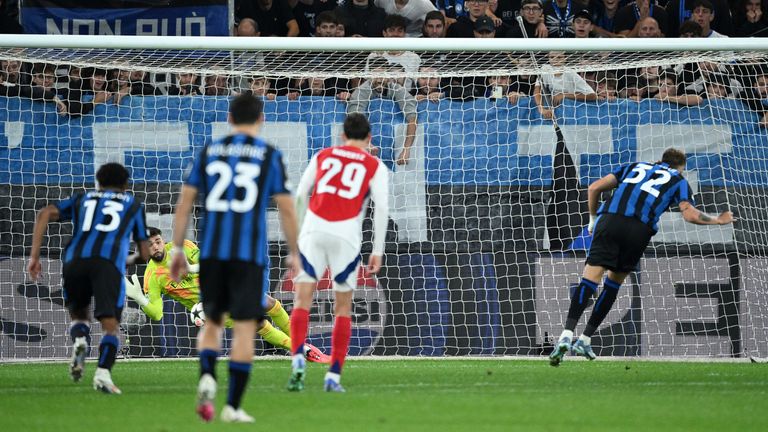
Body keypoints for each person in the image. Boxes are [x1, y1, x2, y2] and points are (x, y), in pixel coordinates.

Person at [170, 93, 301, 423]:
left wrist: (176, 250)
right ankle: (232, 406)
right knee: (244, 329)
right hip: (248, 255)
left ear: (229, 118)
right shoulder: (268, 155)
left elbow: (184, 203)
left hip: (212, 252)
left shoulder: (209, 152)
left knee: (212, 322)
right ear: (262, 119)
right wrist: (295, 252)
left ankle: (206, 375)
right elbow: (286, 207)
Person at [548, 148, 734, 366]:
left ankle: (567, 334)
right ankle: (586, 338)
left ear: (660, 160)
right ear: (680, 166)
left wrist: (591, 219)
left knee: (590, 280)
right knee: (613, 284)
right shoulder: (678, 180)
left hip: (610, 220)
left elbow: (594, 187)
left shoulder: (634, 167)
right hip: (639, 229)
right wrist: (718, 220)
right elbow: (690, 215)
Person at [27, 163, 151, 394]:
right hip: (108, 265)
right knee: (110, 325)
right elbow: (144, 254)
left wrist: (34, 257)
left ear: (99, 182)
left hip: (75, 262)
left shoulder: (82, 199)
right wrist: (130, 259)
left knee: (79, 315)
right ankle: (103, 374)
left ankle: (81, 342)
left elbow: (44, 213)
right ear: (125, 185)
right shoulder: (132, 205)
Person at [287, 113, 389, 393]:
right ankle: (333, 377)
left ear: (343, 136)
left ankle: (297, 363)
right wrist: (377, 249)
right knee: (342, 307)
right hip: (345, 235)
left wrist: (295, 240)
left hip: (313, 228)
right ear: (369, 139)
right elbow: (381, 209)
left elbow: (300, 195)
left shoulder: (324, 155)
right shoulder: (374, 164)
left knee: (302, 299)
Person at [123, 227, 329, 363]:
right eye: (150, 245)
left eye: (157, 241)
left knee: (269, 303)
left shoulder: (183, 247)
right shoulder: (152, 276)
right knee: (258, 323)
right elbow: (157, 314)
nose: (156, 247)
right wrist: (141, 299)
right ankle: (304, 351)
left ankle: (302, 343)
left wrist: (192, 268)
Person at [347, 57, 418, 165]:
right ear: (369, 76)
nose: (379, 79)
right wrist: (366, 142)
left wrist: (406, 149)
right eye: (375, 76)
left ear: (388, 76)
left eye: (382, 75)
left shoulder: (396, 89)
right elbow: (354, 116)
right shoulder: (363, 90)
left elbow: (412, 117)